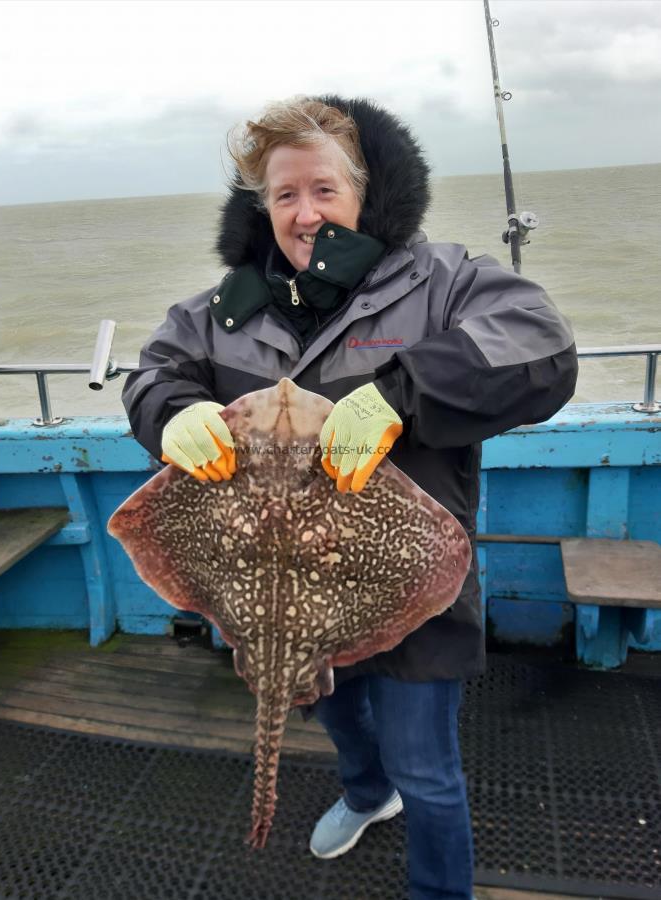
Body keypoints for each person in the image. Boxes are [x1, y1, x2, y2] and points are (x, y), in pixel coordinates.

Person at [123, 96, 578, 899]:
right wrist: (169, 410)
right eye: (284, 195)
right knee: (334, 718)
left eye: (324, 190)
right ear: (260, 207)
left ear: (363, 192)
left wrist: (400, 392)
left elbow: (541, 344)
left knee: (428, 770)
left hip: (408, 584)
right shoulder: (222, 309)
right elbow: (154, 372)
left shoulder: (441, 282)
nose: (305, 214)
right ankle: (367, 796)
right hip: (274, 592)